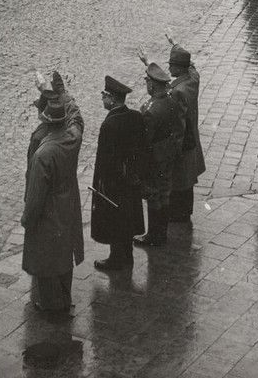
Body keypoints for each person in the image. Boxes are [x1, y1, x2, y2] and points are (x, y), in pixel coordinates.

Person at [22, 94, 84, 314]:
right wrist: (63, 93)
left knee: (45, 259)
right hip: (68, 203)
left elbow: (36, 194)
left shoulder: (43, 154)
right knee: (64, 253)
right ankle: (64, 299)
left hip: (49, 210)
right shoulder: (73, 138)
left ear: (46, 121)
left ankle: (52, 306)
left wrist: (27, 218)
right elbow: (77, 120)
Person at [91, 76, 149, 271]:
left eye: (104, 96)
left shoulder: (109, 125)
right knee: (128, 218)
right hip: (131, 180)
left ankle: (116, 259)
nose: (102, 99)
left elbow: (106, 160)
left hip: (114, 184)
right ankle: (127, 256)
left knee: (115, 220)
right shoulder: (135, 116)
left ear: (112, 99)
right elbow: (142, 149)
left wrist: (102, 184)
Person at [134, 62, 185, 247]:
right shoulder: (171, 100)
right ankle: (162, 233)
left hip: (155, 159)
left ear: (152, 84)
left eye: (147, 81)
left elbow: (144, 141)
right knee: (165, 192)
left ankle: (153, 235)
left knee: (154, 195)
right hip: (168, 153)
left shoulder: (151, 110)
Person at [165, 38, 206, 223]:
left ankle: (177, 215)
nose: (169, 69)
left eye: (172, 65)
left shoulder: (178, 92)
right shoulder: (193, 79)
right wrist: (174, 43)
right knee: (188, 180)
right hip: (193, 141)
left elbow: (178, 125)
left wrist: (172, 149)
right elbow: (193, 65)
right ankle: (185, 213)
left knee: (179, 180)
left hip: (182, 144)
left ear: (179, 68)